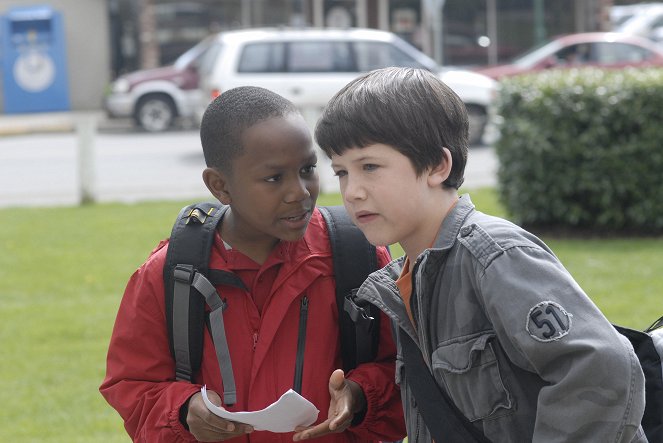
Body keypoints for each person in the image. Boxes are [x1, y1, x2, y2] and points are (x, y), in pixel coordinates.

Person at [313, 67, 647, 442]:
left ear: (438, 166)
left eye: (369, 166)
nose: (352, 191)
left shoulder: (493, 256)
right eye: (341, 172)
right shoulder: (405, 281)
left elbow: (600, 368)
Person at [100, 86, 405, 443]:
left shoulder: (359, 257)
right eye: (274, 178)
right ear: (220, 185)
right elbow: (132, 386)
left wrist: (359, 395)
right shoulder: (169, 275)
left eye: (308, 169)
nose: (300, 192)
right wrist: (183, 412)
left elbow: (405, 370)